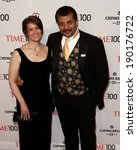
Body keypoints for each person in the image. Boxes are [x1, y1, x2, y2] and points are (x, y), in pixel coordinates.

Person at [47, 6, 109, 150]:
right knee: (69, 138)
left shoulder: (93, 43)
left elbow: (103, 75)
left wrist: (92, 99)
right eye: (61, 24)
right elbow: (45, 64)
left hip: (84, 99)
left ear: (76, 21)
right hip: (62, 99)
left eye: (69, 22)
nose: (66, 27)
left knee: (87, 138)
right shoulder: (53, 39)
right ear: (57, 24)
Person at [8, 15, 53, 150]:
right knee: (28, 139)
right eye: (30, 29)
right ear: (26, 32)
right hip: (26, 102)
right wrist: (22, 104)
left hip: (45, 101)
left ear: (41, 29)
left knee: (44, 138)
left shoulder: (49, 50)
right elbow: (12, 80)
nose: (35, 32)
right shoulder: (18, 53)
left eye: (37, 28)